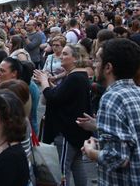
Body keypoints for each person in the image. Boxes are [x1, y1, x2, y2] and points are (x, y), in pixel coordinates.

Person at [82, 39, 140, 185]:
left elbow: (118, 158)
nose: (93, 65)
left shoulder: (111, 97)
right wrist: (103, 142)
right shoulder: (137, 92)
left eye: (97, 60)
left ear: (108, 67)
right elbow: (133, 141)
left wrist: (91, 152)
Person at [34, 44, 92, 186]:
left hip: (67, 131)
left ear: (76, 58)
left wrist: (43, 82)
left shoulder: (75, 77)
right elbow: (62, 95)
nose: (61, 56)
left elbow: (53, 97)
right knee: (76, 165)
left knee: (62, 169)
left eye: (66, 54)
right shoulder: (79, 75)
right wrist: (48, 82)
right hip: (75, 130)